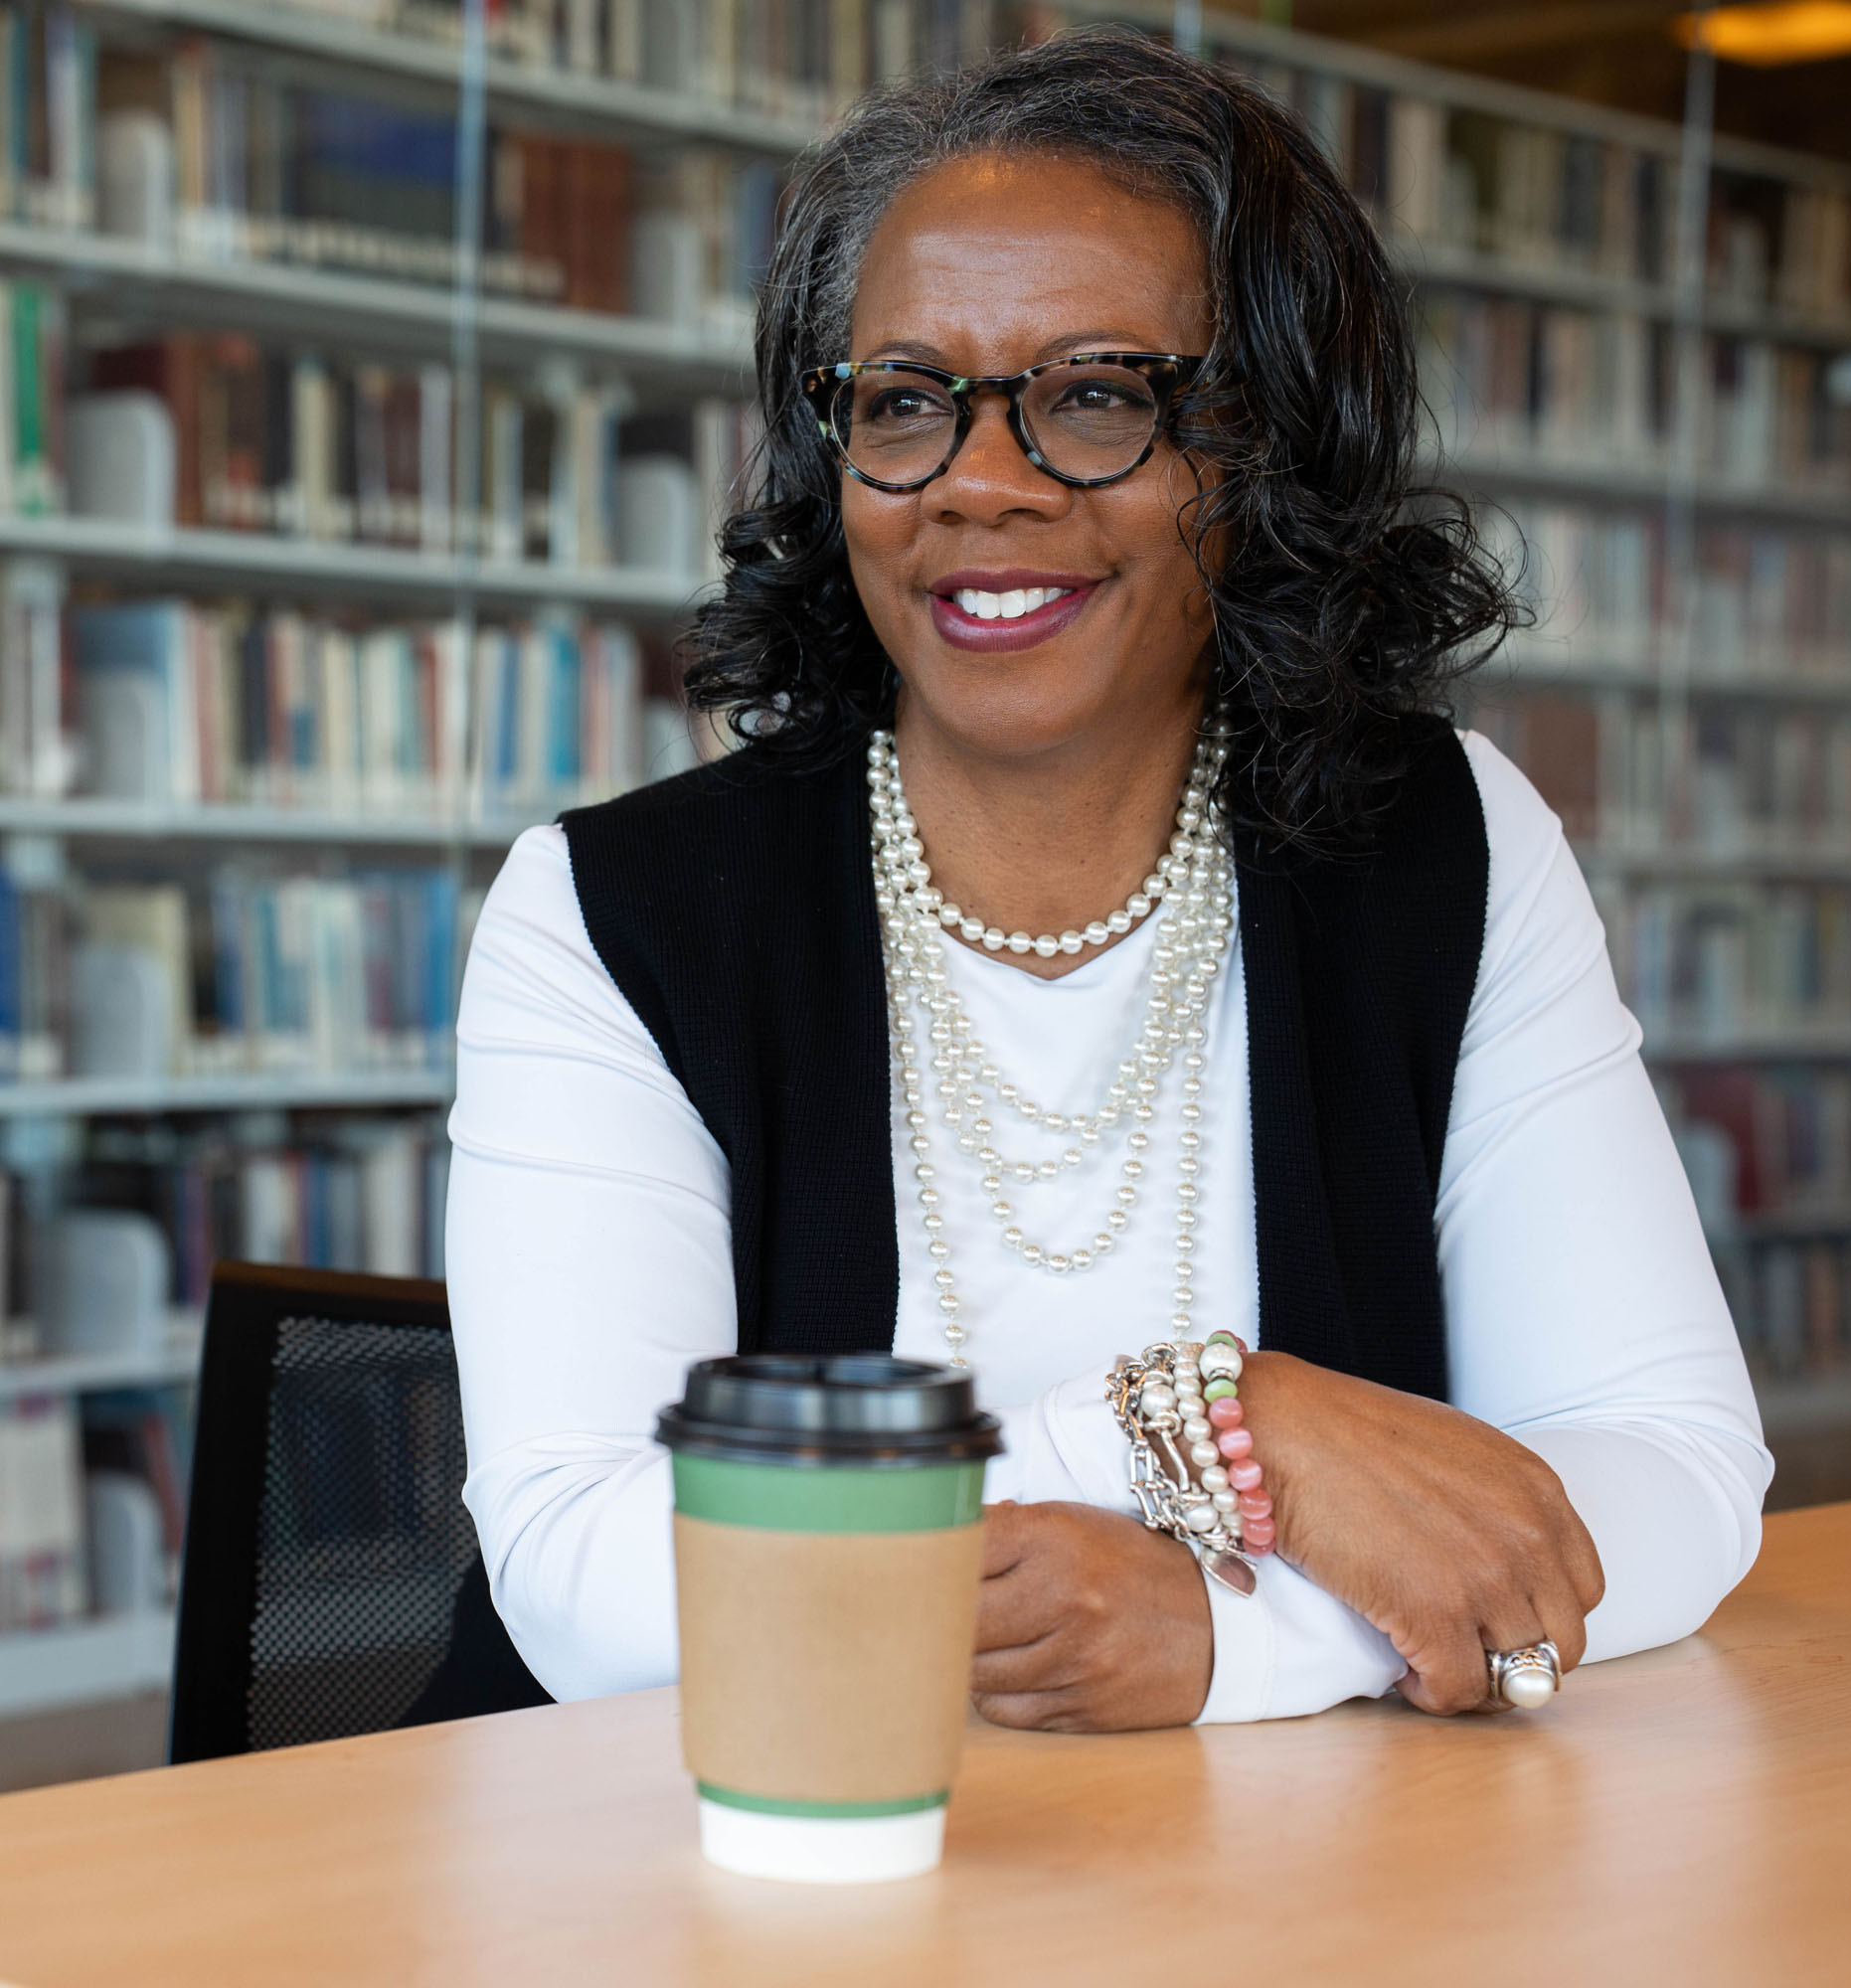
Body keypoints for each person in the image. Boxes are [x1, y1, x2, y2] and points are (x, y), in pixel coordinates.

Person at [446, 29, 1769, 1732]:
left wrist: (1231, 1638)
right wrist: (1220, 1423)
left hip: (1265, 1873)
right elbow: (582, 1578)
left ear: (1266, 452)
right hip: (720, 1866)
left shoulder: (1444, 845)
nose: (980, 485)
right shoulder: (613, 912)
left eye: (1093, 395)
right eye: (906, 402)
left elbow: (1674, 1468)